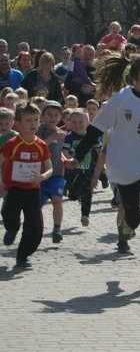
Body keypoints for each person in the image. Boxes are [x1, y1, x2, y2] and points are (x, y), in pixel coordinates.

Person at [69, 52, 140, 291]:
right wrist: (77, 156)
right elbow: (94, 131)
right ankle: (126, 225)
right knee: (133, 218)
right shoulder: (120, 99)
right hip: (124, 167)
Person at [0, 102, 53, 270]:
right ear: (18, 123)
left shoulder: (41, 144)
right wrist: (1, 183)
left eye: (36, 120)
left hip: (32, 190)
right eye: (28, 120)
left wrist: (42, 176)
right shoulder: (12, 143)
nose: (33, 123)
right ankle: (12, 228)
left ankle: (23, 256)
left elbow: (50, 167)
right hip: (14, 188)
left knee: (34, 225)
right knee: (9, 214)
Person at [62, 108, 100, 228]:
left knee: (88, 193)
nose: (77, 125)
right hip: (73, 172)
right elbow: (64, 151)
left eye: (80, 122)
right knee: (73, 195)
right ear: (69, 123)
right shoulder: (69, 137)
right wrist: (69, 159)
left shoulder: (91, 137)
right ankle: (75, 195)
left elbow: (100, 150)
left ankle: (85, 215)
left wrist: (102, 165)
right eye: (74, 122)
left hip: (88, 170)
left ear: (87, 123)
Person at [36, 101, 66, 244]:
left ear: (60, 117)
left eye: (56, 114)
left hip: (56, 173)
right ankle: (36, 227)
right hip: (40, 174)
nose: (52, 117)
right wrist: (52, 138)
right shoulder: (39, 130)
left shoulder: (62, 133)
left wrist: (68, 160)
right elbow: (38, 147)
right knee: (37, 205)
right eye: (49, 114)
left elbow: (61, 152)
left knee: (57, 199)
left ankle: (57, 229)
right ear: (43, 116)